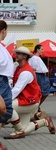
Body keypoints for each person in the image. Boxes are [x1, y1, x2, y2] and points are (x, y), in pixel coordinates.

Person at [4, 46, 56, 139]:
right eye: (17, 53)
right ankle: (45, 121)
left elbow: (16, 90)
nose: (16, 55)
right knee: (24, 129)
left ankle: (19, 131)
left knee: (6, 107)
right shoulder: (17, 67)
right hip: (26, 100)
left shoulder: (26, 72)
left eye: (19, 53)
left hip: (29, 102)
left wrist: (4, 100)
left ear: (25, 56)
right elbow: (8, 77)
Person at [28, 44, 56, 118]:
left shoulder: (36, 58)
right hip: (38, 76)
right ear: (37, 49)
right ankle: (36, 107)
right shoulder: (34, 58)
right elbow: (33, 68)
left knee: (43, 92)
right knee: (42, 92)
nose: (42, 51)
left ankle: (36, 106)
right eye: (41, 49)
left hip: (40, 76)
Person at [0, 20, 12, 149]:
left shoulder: (2, 46)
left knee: (6, 111)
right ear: (4, 31)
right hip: (0, 80)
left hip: (3, 81)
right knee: (4, 110)